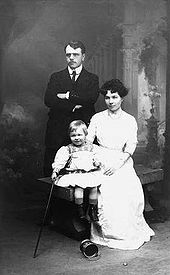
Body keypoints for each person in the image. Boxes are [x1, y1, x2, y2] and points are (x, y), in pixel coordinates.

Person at [87, 79, 155, 250]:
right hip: (100, 157)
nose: (111, 101)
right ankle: (106, 232)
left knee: (128, 189)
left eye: (115, 97)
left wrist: (117, 164)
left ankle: (125, 233)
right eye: (108, 97)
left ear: (122, 98)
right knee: (107, 190)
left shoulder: (129, 120)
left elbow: (131, 145)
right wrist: (96, 158)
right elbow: (88, 141)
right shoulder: (97, 118)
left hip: (121, 160)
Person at [44, 40, 99, 176]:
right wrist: (73, 105)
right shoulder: (56, 77)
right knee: (55, 170)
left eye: (76, 54)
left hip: (82, 130)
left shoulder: (92, 78)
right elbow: (49, 100)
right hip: (58, 129)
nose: (72, 58)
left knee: (84, 170)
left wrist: (66, 95)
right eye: (68, 55)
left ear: (83, 56)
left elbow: (90, 99)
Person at [51, 120, 102, 222]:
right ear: (69, 136)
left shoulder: (92, 148)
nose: (77, 138)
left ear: (85, 135)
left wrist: (97, 162)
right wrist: (55, 171)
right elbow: (60, 161)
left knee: (94, 187)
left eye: (80, 135)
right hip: (75, 175)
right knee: (79, 189)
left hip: (89, 173)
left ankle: (92, 209)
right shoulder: (68, 149)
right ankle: (80, 210)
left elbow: (98, 157)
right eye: (73, 135)